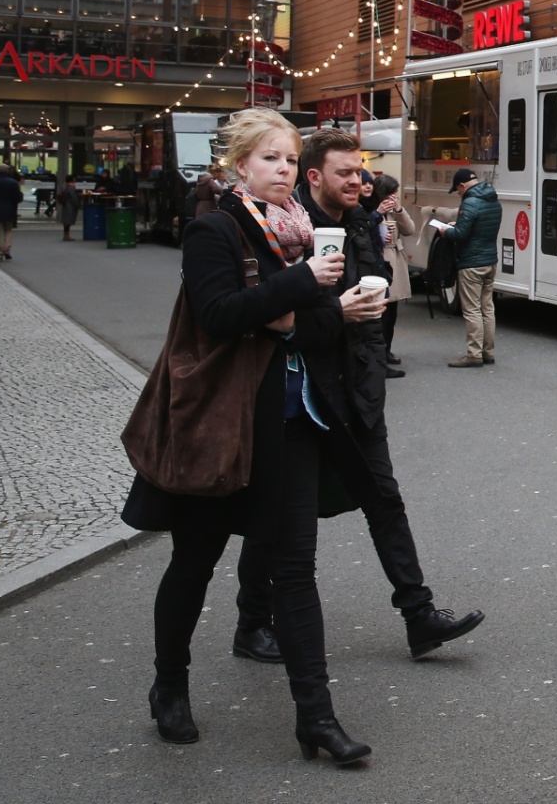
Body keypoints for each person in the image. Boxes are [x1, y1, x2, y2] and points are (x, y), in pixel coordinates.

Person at [120, 108, 376, 765]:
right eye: (270, 159)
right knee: (194, 561)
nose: (284, 170)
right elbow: (218, 314)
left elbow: (306, 330)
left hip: (290, 422)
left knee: (295, 572)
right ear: (241, 166)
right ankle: (169, 684)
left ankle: (315, 718)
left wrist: (339, 308)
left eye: (290, 159)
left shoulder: (304, 235)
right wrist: (303, 288)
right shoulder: (215, 229)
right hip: (223, 425)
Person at [232, 130, 484, 666]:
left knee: (384, 499)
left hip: (356, 387)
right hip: (301, 393)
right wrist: (334, 317)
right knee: (277, 516)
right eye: (347, 172)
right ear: (316, 176)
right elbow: (274, 325)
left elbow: (373, 308)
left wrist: (370, 370)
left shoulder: (363, 222)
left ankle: (419, 615)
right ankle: (252, 621)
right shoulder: (285, 226)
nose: (359, 180)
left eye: (362, 170)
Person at [438, 168, 500, 368]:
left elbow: (462, 234)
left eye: (457, 190)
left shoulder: (469, 202)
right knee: (487, 308)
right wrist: (459, 223)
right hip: (490, 260)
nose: (458, 193)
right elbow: (479, 226)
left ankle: (474, 354)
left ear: (462, 185)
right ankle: (488, 352)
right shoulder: (493, 200)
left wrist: (446, 231)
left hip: (472, 263)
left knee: (472, 310)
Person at [370, 174, 417, 374]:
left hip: (395, 260)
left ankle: (387, 350)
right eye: (390, 194)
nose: (393, 198)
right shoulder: (371, 209)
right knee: (381, 314)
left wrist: (398, 210)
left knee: (392, 314)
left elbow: (410, 229)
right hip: (381, 260)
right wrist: (379, 214)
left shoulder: (394, 211)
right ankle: (379, 355)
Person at [56, 176, 81, 241]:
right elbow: (73, 197)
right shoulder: (71, 188)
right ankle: (67, 236)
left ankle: (66, 235)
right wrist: (77, 204)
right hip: (70, 205)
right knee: (68, 221)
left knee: (66, 221)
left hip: (65, 205)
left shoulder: (64, 186)